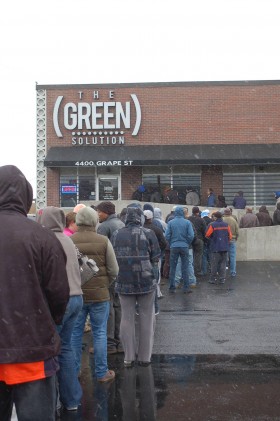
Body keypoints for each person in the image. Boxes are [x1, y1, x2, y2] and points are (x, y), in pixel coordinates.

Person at [0, 165, 69, 421]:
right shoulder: (42, 237)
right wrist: (46, 321)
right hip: (32, 351)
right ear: (25, 197)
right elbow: (59, 293)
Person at [38, 206, 83, 412]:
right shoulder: (68, 239)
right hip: (77, 298)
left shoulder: (46, 241)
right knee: (65, 348)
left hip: (59, 301)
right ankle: (72, 400)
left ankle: (53, 401)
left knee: (51, 350)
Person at [70, 207, 119, 383]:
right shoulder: (103, 241)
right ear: (94, 221)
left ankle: (74, 371)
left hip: (77, 295)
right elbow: (114, 270)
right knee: (99, 333)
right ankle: (101, 372)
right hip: (100, 295)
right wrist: (105, 284)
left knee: (75, 333)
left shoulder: (70, 241)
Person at [111, 207, 161, 367]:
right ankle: (145, 357)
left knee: (126, 317)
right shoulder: (148, 233)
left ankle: (129, 357)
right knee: (147, 317)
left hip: (123, 280)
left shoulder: (116, 234)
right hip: (146, 281)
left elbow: (112, 256)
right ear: (140, 218)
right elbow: (156, 257)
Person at [96, 201, 125, 355]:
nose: (97, 214)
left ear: (105, 212)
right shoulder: (121, 223)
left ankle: (110, 343)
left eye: (99, 212)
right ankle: (120, 341)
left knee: (109, 307)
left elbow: (100, 251)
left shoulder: (104, 227)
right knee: (118, 306)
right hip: (122, 271)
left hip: (110, 271)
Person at [165, 206, 194, 293]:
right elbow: (191, 235)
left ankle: (172, 287)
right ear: (182, 212)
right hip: (184, 246)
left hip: (174, 246)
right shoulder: (187, 222)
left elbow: (167, 235)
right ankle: (186, 287)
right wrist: (187, 243)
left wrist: (171, 243)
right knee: (185, 267)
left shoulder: (170, 222)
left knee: (173, 267)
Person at [205, 211, 232, 284]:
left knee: (214, 263)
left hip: (215, 247)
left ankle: (212, 279)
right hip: (225, 247)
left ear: (215, 217)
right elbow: (230, 236)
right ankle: (222, 279)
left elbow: (207, 235)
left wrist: (213, 239)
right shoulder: (226, 225)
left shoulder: (213, 225)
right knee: (223, 264)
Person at [188, 206, 206, 276]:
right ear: (198, 212)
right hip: (199, 239)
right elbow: (205, 231)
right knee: (198, 256)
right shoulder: (201, 220)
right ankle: (197, 271)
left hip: (190, 239)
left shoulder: (188, 219)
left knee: (190, 256)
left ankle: (190, 270)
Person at [222, 208, 239, 277]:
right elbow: (237, 231)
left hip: (223, 240)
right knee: (232, 257)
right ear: (230, 213)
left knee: (224, 256)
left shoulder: (222, 220)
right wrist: (236, 238)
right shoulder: (233, 220)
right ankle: (233, 272)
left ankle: (223, 271)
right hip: (232, 239)